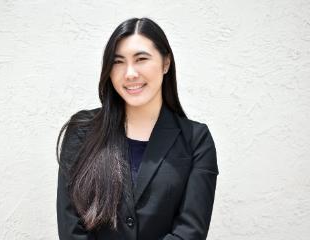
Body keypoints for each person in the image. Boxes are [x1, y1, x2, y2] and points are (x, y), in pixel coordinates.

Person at [56, 17, 219, 240]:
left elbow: (190, 231)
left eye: (141, 59)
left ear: (165, 63)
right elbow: (71, 228)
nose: (130, 73)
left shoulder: (196, 140)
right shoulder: (82, 131)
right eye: (118, 62)